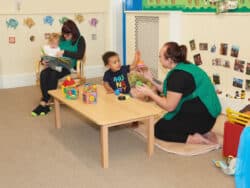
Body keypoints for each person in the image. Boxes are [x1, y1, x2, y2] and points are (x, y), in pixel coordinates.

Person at [136, 42, 221, 144]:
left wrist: (151, 93)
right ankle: (204, 131)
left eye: (160, 57)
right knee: (170, 119)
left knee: (158, 129)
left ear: (170, 60)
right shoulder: (185, 66)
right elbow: (171, 90)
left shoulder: (177, 76)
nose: (159, 59)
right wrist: (150, 78)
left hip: (203, 117)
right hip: (207, 115)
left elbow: (169, 106)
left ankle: (194, 139)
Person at [32, 19, 86, 116]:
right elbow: (50, 49)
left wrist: (64, 52)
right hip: (55, 63)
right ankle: (46, 100)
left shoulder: (80, 39)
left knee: (53, 74)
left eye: (67, 34)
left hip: (67, 66)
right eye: (64, 34)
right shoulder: (61, 38)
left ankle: (45, 102)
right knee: (44, 74)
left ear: (73, 32)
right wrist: (43, 60)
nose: (65, 36)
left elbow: (80, 55)